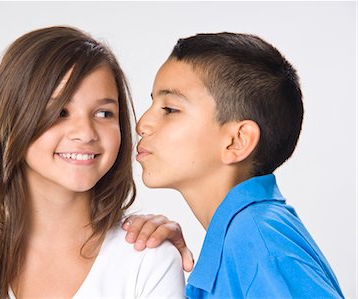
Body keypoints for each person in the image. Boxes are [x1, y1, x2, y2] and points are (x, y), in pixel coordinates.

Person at [0, 26, 185, 298]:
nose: (86, 133)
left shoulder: (148, 259)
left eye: (103, 113)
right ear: (13, 121)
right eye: (60, 111)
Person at [126, 32, 344, 298]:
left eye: (170, 109)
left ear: (237, 141)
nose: (142, 124)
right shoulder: (246, 236)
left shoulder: (258, 242)